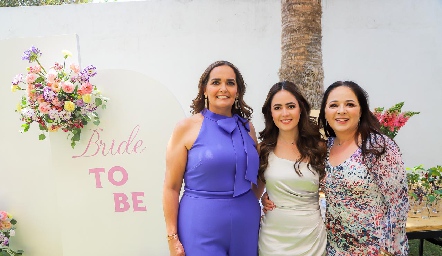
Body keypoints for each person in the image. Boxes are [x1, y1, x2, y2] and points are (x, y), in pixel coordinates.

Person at [162, 60, 261, 256]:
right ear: (204, 89)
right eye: (216, 82)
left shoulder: (248, 128)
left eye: (230, 83)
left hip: (246, 223)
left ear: (238, 91)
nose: (223, 88)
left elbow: (257, 175)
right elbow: (171, 188)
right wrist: (172, 238)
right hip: (201, 223)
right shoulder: (186, 127)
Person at [317, 81, 409, 255]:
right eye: (334, 105)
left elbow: (399, 203)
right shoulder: (326, 148)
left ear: (361, 110)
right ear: (325, 111)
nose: (341, 110)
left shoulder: (378, 146)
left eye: (350, 104)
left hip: (375, 250)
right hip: (336, 249)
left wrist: (389, 250)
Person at [254, 81, 327, 256]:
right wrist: (264, 197)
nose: (285, 113)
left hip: (312, 240)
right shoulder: (263, 149)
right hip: (273, 240)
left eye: (291, 106)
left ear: (300, 109)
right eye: (278, 107)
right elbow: (254, 192)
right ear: (270, 113)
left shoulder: (319, 148)